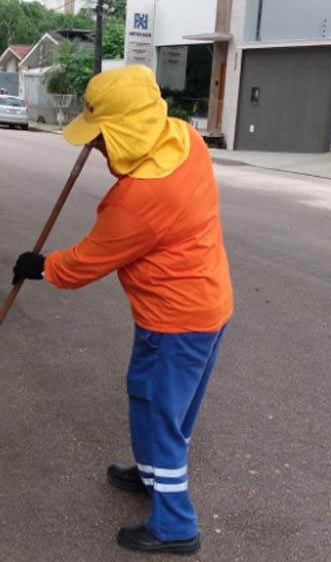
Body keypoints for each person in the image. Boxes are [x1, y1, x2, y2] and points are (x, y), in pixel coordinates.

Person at [12, 66, 233, 555]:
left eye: (101, 137)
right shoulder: (183, 139)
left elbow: (85, 263)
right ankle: (151, 472)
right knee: (162, 406)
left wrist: (42, 266)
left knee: (159, 414)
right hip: (205, 304)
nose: (94, 147)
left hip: (176, 321)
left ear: (126, 132)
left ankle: (176, 527)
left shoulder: (140, 199)